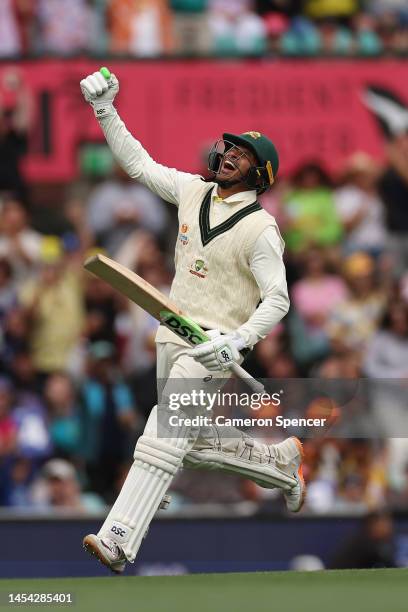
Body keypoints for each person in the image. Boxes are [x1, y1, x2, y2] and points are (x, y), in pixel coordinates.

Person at [79, 68, 305, 573]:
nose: (229, 155)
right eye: (228, 148)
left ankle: (118, 538)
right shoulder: (191, 192)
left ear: (259, 174)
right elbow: (138, 165)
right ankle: (281, 465)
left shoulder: (261, 229)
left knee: (161, 435)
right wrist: (105, 110)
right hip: (172, 333)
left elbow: (278, 299)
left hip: (212, 346)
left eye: (242, 154)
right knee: (194, 445)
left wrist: (239, 341)